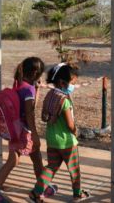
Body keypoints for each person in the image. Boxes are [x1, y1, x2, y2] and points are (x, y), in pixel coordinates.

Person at [0, 57, 56, 203]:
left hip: (15, 129)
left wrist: (36, 89)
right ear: (36, 72)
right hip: (24, 132)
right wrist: (35, 135)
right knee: (25, 160)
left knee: (23, 160)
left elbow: (27, 107)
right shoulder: (28, 89)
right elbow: (30, 113)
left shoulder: (19, 84)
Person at [29, 63, 90, 202]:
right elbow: (69, 124)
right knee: (74, 170)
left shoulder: (50, 96)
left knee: (50, 168)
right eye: (72, 83)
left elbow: (44, 117)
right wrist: (76, 131)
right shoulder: (64, 100)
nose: (73, 86)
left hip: (52, 140)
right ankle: (77, 193)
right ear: (63, 82)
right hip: (67, 142)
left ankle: (36, 192)